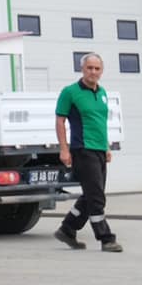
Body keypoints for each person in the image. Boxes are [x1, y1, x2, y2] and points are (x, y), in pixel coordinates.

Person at [54, 53, 122, 252]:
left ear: (101, 71)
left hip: (100, 150)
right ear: (82, 69)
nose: (93, 72)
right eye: (89, 68)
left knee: (91, 195)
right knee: (97, 198)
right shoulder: (70, 92)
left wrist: (107, 147)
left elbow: (99, 123)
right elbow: (60, 121)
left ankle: (67, 229)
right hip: (82, 150)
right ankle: (106, 238)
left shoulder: (102, 93)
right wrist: (64, 149)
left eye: (97, 68)